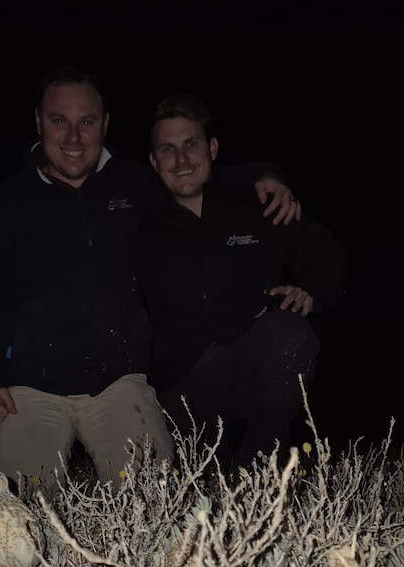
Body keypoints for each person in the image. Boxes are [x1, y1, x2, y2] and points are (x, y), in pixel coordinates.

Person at [0, 66, 301, 488]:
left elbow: (191, 172)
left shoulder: (135, 186)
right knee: (15, 511)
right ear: (39, 122)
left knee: (153, 504)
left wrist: (265, 174)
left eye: (87, 122)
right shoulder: (2, 208)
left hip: (120, 383)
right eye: (60, 121)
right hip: (28, 391)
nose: (74, 138)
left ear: (105, 124)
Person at [137, 93, 350, 469]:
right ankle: (209, 464)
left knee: (288, 333)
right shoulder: (140, 222)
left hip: (252, 366)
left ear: (212, 148)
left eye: (191, 144)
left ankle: (261, 475)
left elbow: (330, 258)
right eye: (168, 150)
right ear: (154, 162)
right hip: (180, 390)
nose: (182, 159)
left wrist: (312, 293)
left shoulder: (259, 204)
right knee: (187, 479)